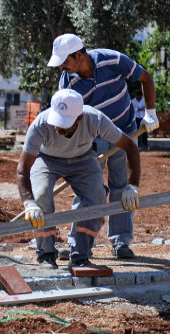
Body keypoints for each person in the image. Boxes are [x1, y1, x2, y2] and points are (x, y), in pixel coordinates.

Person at [47, 33, 156, 259]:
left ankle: (121, 241)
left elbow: (146, 77)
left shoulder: (112, 60)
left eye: (65, 61)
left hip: (124, 132)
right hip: (93, 138)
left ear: (79, 55)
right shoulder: (68, 82)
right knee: (86, 188)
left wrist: (150, 113)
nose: (62, 68)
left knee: (122, 188)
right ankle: (77, 241)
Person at [17, 89, 141, 270]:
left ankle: (80, 254)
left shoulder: (95, 119)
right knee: (41, 196)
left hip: (83, 159)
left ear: (80, 118)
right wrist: (29, 202)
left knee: (97, 198)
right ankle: (46, 254)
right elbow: (22, 170)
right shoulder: (40, 125)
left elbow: (130, 146)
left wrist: (132, 186)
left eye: (66, 125)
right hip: (47, 160)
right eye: (58, 123)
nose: (59, 129)